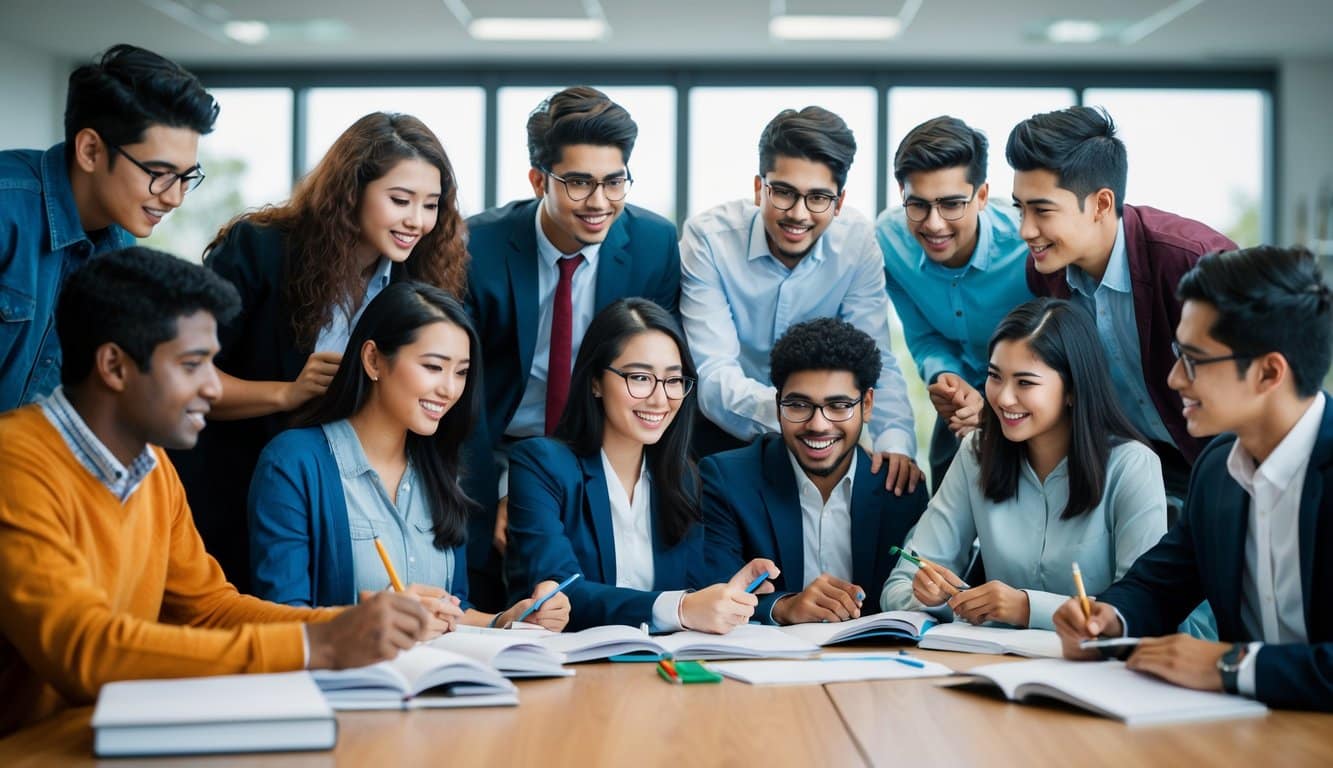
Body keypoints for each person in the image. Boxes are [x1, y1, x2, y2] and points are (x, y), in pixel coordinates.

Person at [0, 248, 439, 737]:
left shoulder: (151, 467)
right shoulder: (14, 463)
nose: (214, 387)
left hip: (104, 741)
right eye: (193, 365)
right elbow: (83, 648)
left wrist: (345, 626)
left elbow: (208, 609)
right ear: (114, 366)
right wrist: (319, 646)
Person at [173, 112, 468, 592]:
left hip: (349, 498)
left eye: (431, 205)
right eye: (399, 200)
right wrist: (285, 394)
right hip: (239, 483)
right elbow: (185, 378)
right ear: (351, 191)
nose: (417, 221)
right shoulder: (261, 251)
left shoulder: (423, 277)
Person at [1053, 246, 1333, 712]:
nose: (1174, 379)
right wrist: (1107, 619)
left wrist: (1230, 665)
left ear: (1268, 372)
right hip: (1246, 734)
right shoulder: (1217, 468)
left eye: (1194, 360)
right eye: (1176, 353)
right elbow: (1158, 585)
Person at [464, 86, 681, 610]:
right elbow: (460, 391)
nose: (600, 203)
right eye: (579, 183)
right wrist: (503, 489)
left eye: (614, 182)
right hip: (491, 444)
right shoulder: (477, 247)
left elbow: (652, 372)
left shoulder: (652, 243)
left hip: (594, 442)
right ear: (539, 180)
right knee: (482, 567)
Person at [248, 281, 569, 631]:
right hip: (346, 683)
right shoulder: (293, 462)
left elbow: (453, 610)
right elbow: (281, 617)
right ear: (373, 359)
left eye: (461, 372)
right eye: (433, 367)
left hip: (439, 681)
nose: (449, 389)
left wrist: (507, 619)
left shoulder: (439, 470)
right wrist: (375, 619)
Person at [880, 298, 1170, 631]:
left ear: (1073, 389)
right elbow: (900, 584)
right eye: (994, 377)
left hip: (1101, 672)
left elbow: (1144, 607)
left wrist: (1028, 609)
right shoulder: (977, 451)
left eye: (1025, 383)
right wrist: (932, 597)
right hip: (997, 666)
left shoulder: (1132, 466)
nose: (1003, 398)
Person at [680, 106, 920, 493]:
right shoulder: (708, 239)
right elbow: (713, 375)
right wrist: (802, 415)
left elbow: (875, 359)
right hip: (718, 428)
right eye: (784, 193)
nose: (798, 214)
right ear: (760, 188)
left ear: (839, 203)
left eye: (818, 198)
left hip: (820, 428)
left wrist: (895, 441)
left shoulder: (856, 244)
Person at [1007, 105, 1236, 502]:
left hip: (1224, 462)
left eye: (1042, 210)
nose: (1026, 230)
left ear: (1100, 204)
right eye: (1020, 209)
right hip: (1133, 465)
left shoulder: (1193, 262)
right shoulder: (1045, 271)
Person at [506, 298, 777, 632]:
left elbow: (697, 596)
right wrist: (679, 607)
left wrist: (731, 596)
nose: (660, 399)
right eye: (639, 377)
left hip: (658, 671)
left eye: (674, 380)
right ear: (595, 381)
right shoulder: (541, 465)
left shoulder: (684, 480)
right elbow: (560, 592)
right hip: (567, 671)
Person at [0, 44, 216, 411]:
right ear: (89, 150)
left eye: (185, 177)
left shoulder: (118, 247)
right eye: (160, 174)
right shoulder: (7, 210)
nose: (175, 198)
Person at [702, 318, 928, 625]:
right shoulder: (726, 480)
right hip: (767, 665)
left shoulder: (901, 489)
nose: (818, 425)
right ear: (777, 401)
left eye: (838, 406)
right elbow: (713, 592)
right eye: (798, 405)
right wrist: (783, 607)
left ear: (868, 404)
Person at [877, 116, 1032, 490]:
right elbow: (924, 335)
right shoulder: (889, 240)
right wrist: (945, 377)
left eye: (951, 204)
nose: (933, 224)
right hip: (961, 400)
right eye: (917, 205)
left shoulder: (1027, 242)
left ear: (981, 195)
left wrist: (999, 398)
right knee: (942, 500)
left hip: (1034, 398)